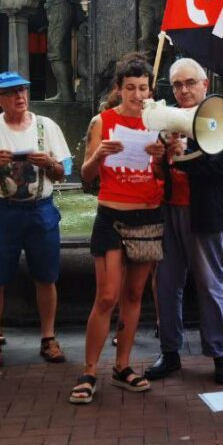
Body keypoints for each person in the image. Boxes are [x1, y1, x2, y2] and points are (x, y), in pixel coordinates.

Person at [70, 55, 167, 404]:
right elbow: (85, 175)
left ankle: (123, 366)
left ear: (150, 90)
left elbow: (162, 180)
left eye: (143, 88)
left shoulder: (160, 123)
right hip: (112, 214)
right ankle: (89, 369)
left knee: (133, 295)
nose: (137, 95)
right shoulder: (103, 120)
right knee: (107, 295)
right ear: (119, 89)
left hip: (148, 216)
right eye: (130, 88)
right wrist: (100, 155)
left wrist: (160, 159)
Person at [144, 58, 223, 385]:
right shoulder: (168, 119)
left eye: (189, 83)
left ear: (204, 85)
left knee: (210, 285)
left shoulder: (220, 118)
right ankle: (169, 351)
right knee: (167, 285)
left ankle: (219, 353)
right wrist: (160, 157)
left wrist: (184, 156)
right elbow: (158, 170)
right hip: (169, 210)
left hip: (206, 214)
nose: (183, 90)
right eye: (177, 85)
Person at [0, 73, 71, 367]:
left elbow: (62, 172)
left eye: (23, 90)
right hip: (2, 210)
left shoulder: (46, 126)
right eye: (11, 92)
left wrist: (49, 163)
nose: (20, 96)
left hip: (41, 209)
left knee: (47, 276)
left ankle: (49, 337)